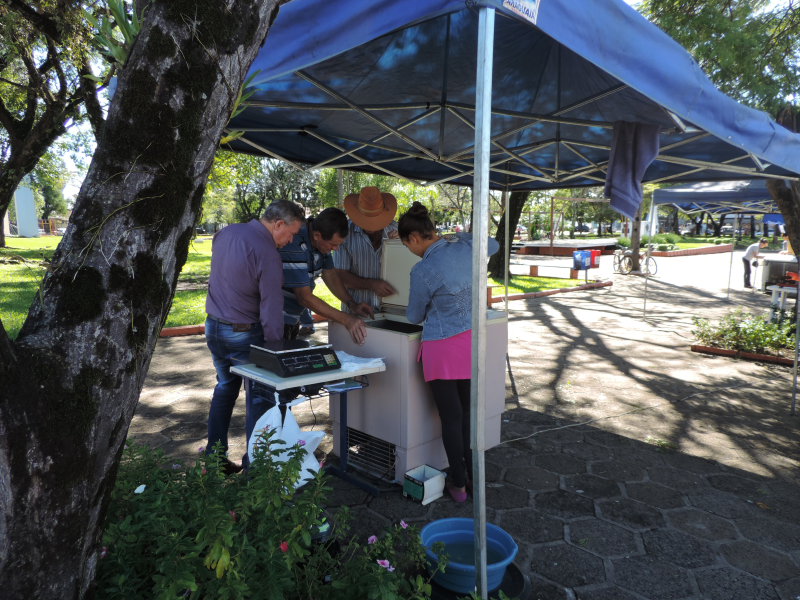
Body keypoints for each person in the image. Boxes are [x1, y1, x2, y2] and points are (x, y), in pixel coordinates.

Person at [399, 202, 499, 503]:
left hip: (442, 349)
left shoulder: (423, 270)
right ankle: (473, 477)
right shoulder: (466, 248)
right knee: (467, 414)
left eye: (406, 245)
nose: (409, 251)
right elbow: (492, 244)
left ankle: (458, 485)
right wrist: (456, 236)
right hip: (472, 343)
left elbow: (413, 316)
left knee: (451, 418)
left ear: (414, 238)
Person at [204, 200, 305, 474]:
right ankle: (256, 472)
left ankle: (214, 461)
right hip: (244, 333)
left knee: (225, 389)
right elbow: (271, 308)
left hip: (213, 327)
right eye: (291, 234)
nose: (291, 240)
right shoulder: (268, 254)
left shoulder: (226, 232)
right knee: (260, 398)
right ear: (278, 224)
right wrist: (273, 351)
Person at [279, 207, 374, 344]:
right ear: (317, 236)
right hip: (275, 318)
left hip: (292, 317)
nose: (335, 249)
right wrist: (346, 319)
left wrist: (352, 304)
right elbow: (304, 297)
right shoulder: (295, 243)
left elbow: (331, 275)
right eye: (333, 244)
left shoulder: (321, 243)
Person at [334, 186, 400, 315]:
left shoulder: (397, 231)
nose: (370, 225)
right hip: (356, 311)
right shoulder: (345, 233)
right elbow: (339, 275)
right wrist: (371, 284)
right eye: (366, 219)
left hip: (392, 312)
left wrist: (401, 246)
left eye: (374, 219)